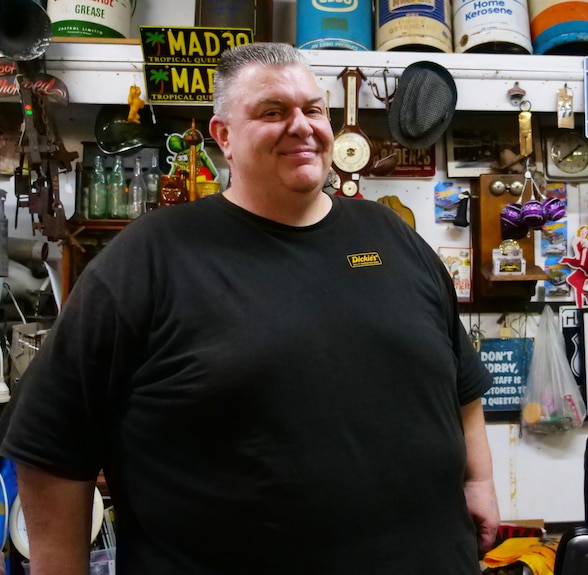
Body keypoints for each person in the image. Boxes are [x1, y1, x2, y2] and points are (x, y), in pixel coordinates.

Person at [0, 43, 500, 575]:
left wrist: (480, 481)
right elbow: (49, 443)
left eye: (313, 109)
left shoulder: (392, 237)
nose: (302, 126)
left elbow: (460, 383)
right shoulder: (149, 259)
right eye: (273, 112)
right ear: (224, 137)